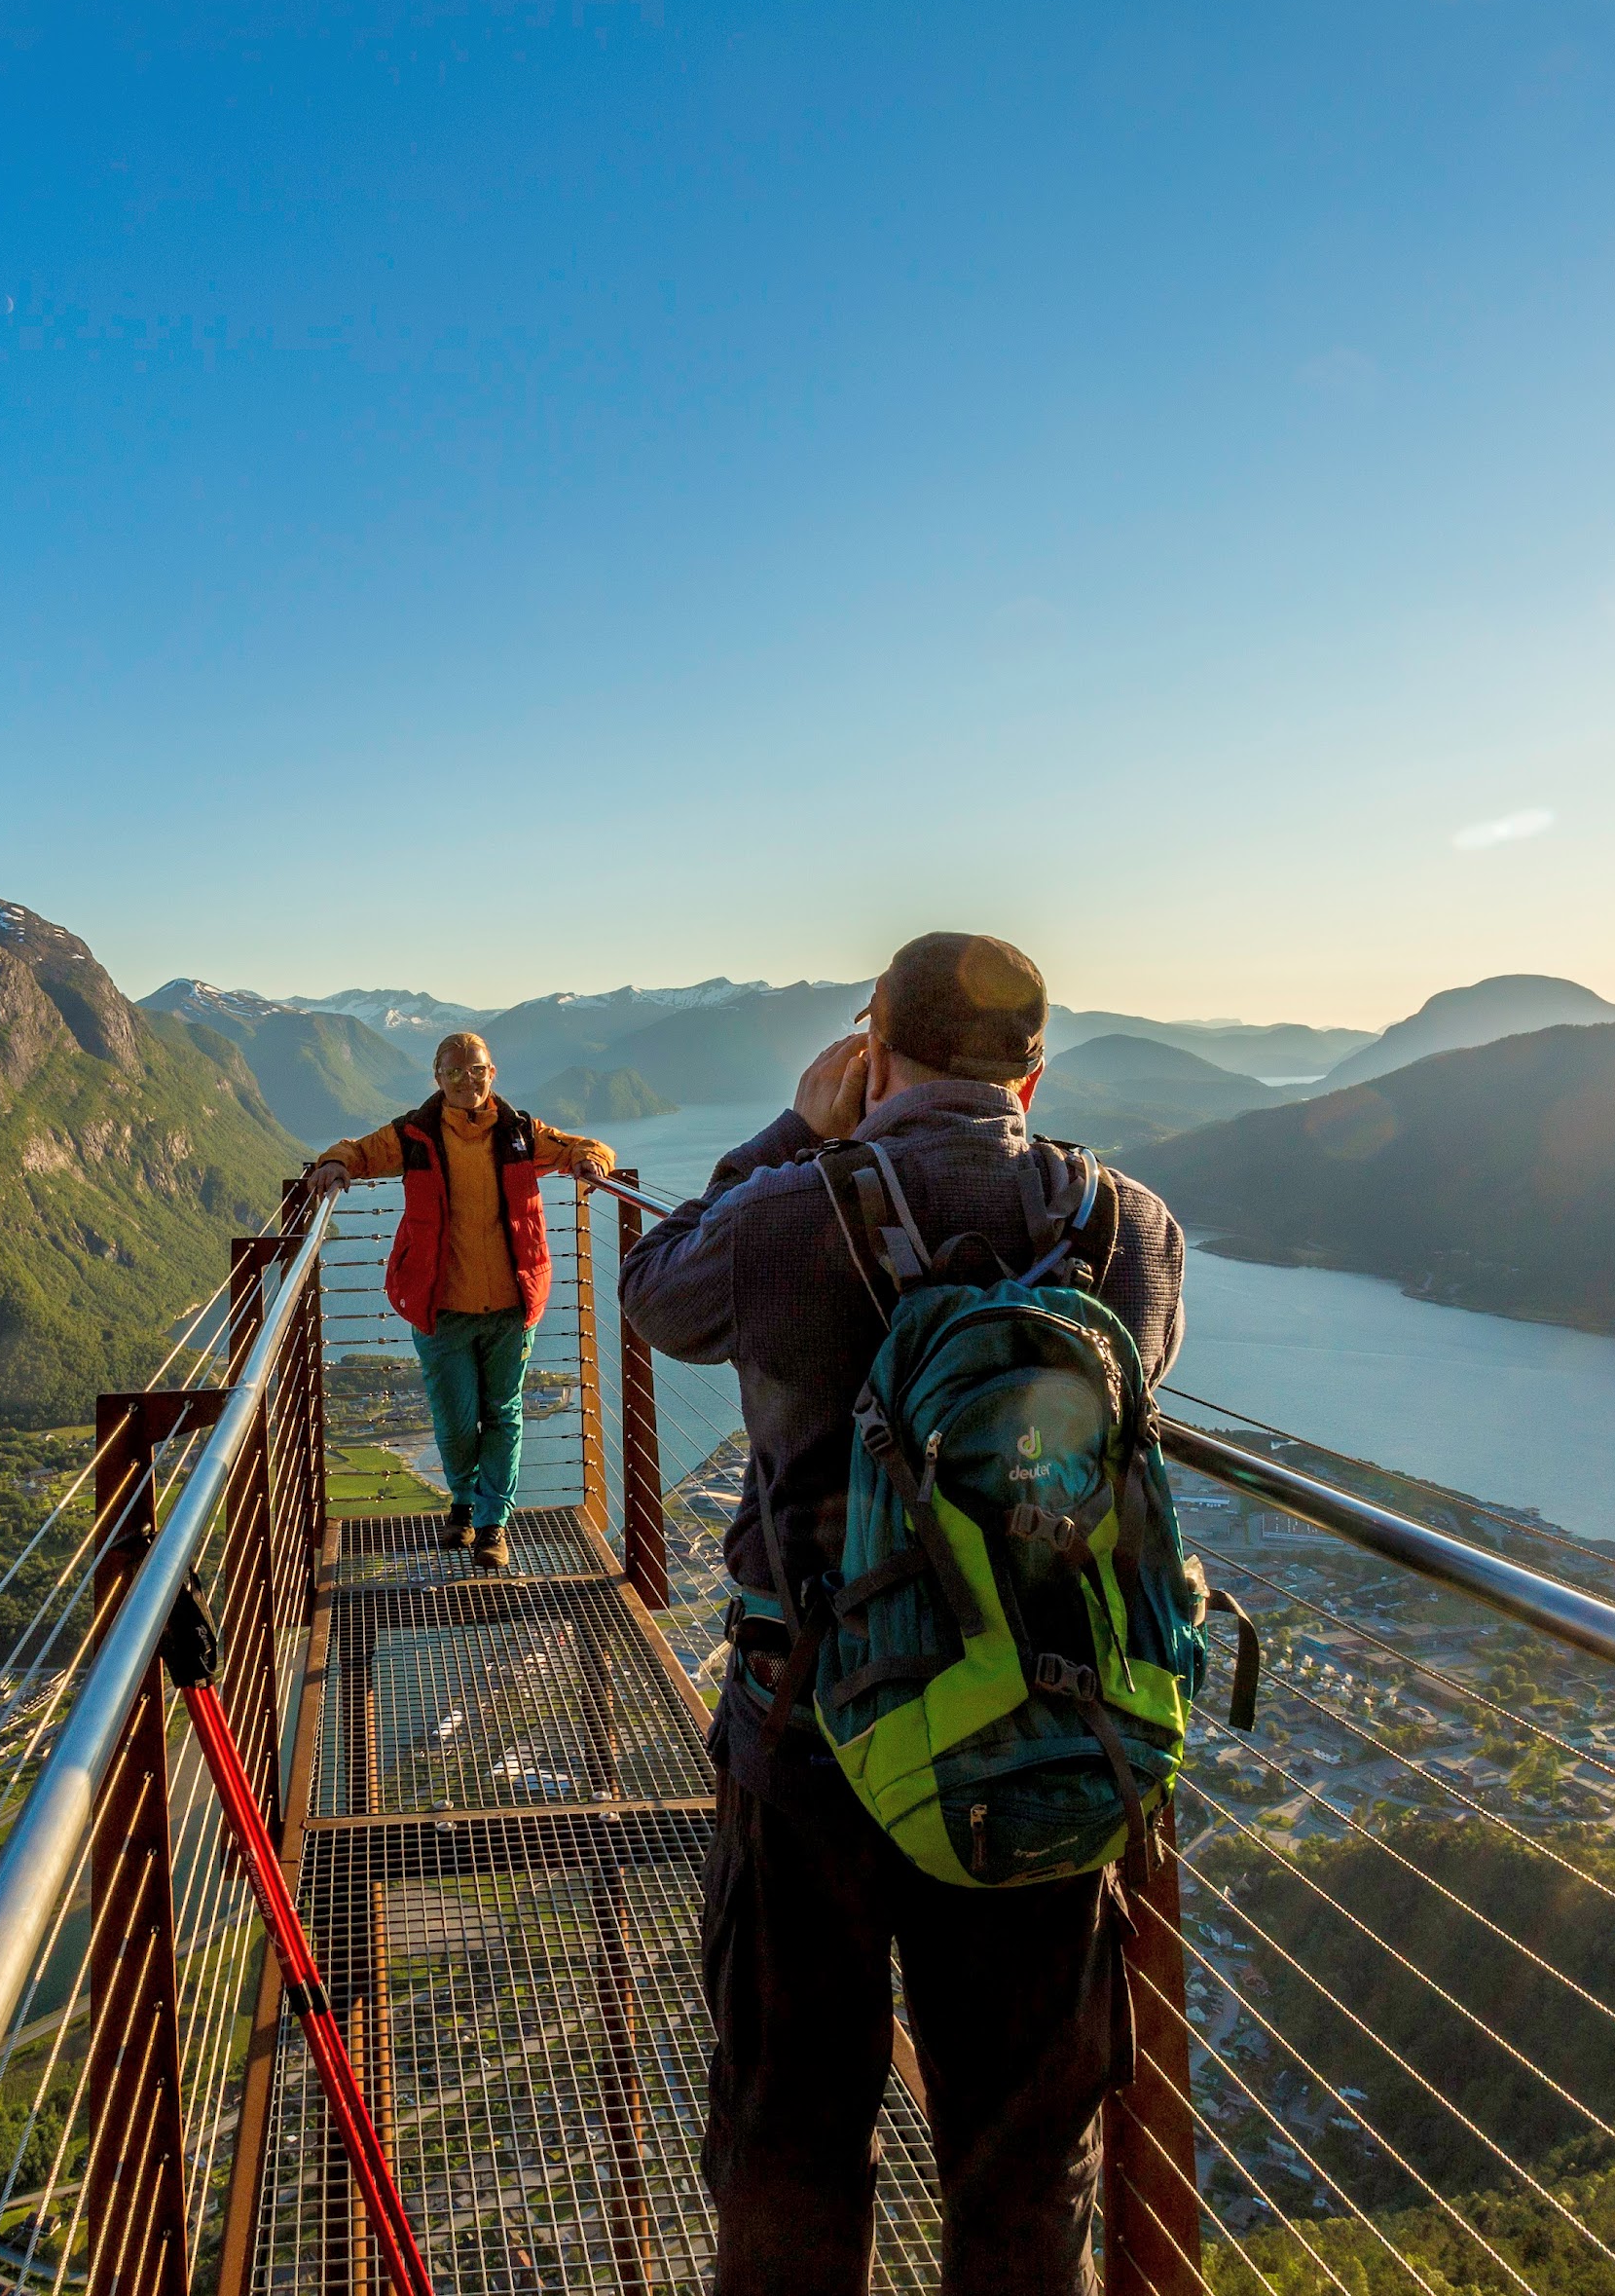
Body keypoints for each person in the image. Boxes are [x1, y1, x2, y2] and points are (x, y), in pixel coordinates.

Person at [619, 932, 1188, 2296]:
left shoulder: (790, 1213)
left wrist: (789, 1133)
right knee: (1022, 2158)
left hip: (811, 1721)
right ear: (1034, 1078)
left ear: (874, 1054)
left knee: (792, 2131)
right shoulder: (1132, 1230)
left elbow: (655, 1296)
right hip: (1040, 1728)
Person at [306, 1032, 617, 1570]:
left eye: (477, 1071)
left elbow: (584, 1148)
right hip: (441, 1306)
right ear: (438, 1078)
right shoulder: (414, 1134)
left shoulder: (521, 1132)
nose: (467, 1081)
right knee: (453, 1420)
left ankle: (492, 1522)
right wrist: (333, 1163)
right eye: (456, 1073)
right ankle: (463, 1503)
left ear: (492, 1073)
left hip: (511, 1306)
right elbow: (356, 1152)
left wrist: (593, 1161)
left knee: (505, 1415)